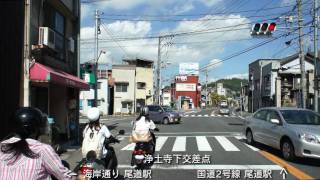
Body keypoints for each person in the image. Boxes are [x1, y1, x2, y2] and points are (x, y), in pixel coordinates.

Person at [0, 107, 76, 180]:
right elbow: (66, 177)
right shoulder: (42, 149)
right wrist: (80, 176)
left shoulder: (1, 146)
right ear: (36, 129)